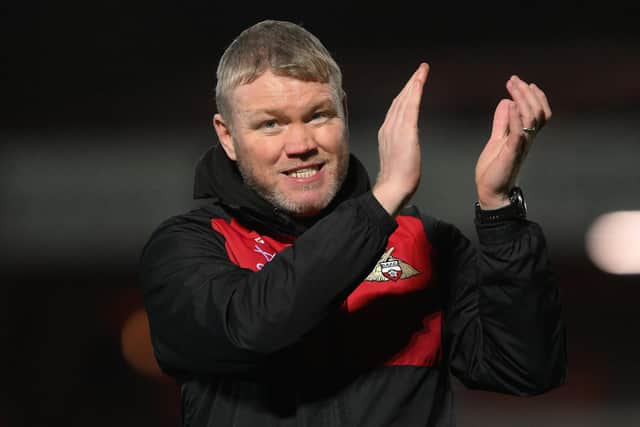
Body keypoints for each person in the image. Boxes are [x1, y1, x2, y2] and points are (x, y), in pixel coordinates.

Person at [139, 19, 566, 427]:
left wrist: (499, 210)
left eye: (318, 115)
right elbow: (253, 327)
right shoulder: (188, 248)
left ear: (343, 112)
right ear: (228, 136)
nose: (301, 144)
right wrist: (382, 201)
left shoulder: (424, 242)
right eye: (271, 124)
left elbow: (525, 370)